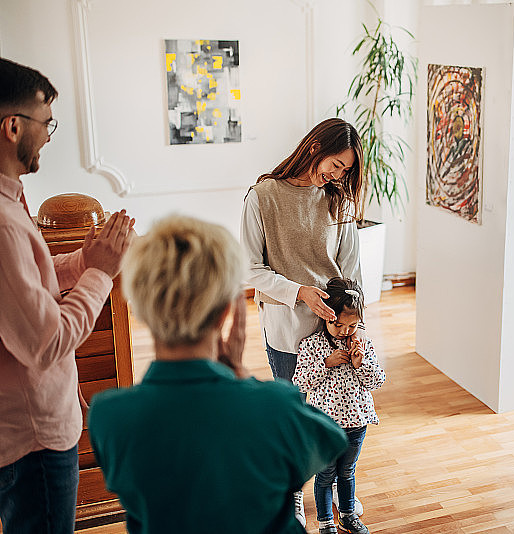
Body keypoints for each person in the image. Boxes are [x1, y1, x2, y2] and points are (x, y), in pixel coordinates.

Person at [88, 215, 348, 534]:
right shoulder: (274, 406)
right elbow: (332, 439)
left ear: (139, 308)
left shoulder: (108, 416)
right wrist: (240, 376)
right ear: (226, 310)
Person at [0, 57, 134, 534]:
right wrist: (100, 274)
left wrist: (80, 260)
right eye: (46, 123)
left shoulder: (10, 198)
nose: (49, 136)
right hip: (32, 438)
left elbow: (23, 283)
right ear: (13, 126)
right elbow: (46, 342)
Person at [240, 117, 366, 525]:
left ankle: (338, 491)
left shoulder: (338, 202)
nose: (339, 175)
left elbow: (352, 269)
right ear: (315, 147)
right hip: (288, 329)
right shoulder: (263, 197)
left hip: (335, 332)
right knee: (295, 416)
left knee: (341, 415)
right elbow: (250, 269)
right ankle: (293, 488)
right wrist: (300, 291)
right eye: (337, 164)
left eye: (346, 170)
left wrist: (357, 328)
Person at [292, 278, 386, 534]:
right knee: (324, 476)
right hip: (325, 427)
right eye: (338, 324)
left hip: (357, 424)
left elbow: (377, 380)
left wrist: (360, 363)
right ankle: (325, 524)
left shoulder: (362, 345)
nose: (344, 330)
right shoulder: (311, 345)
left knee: (347, 473)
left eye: (352, 325)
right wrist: (326, 363)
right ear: (326, 316)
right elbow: (299, 383)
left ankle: (347, 516)